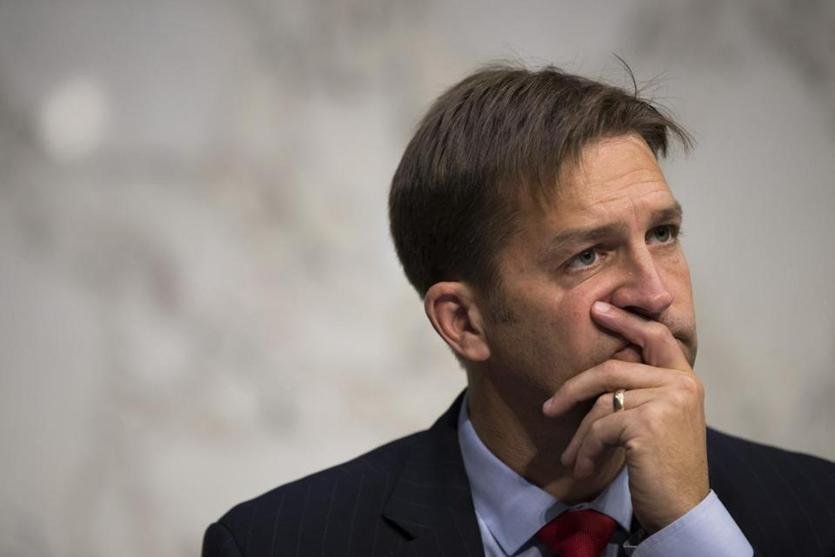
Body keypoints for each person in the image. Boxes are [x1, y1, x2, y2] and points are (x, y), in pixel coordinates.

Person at [202, 65, 835, 557]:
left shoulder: (819, 509)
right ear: (464, 321)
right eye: (587, 256)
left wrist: (691, 534)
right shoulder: (279, 543)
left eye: (663, 234)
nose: (655, 293)